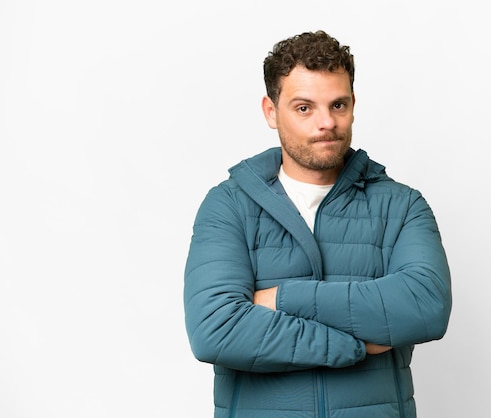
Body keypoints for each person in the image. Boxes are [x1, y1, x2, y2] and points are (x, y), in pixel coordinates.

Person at [184, 30, 452, 418]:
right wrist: (356, 346)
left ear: (353, 105)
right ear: (271, 111)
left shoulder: (402, 205)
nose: (326, 122)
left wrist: (279, 299)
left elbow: (425, 307)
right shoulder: (228, 205)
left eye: (338, 105)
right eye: (304, 107)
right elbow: (215, 331)